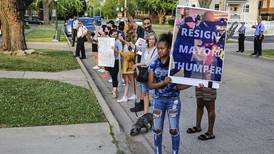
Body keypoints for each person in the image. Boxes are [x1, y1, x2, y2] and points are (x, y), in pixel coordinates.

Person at [148, 33, 190, 154]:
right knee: (157, 130)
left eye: (162, 48)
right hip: (158, 101)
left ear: (169, 49)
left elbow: (180, 85)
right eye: (158, 49)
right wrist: (163, 82)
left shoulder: (175, 65)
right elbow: (150, 84)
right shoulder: (154, 64)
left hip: (173, 101)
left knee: (173, 130)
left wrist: (195, 83)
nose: (160, 51)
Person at [130, 33, 158, 113]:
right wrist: (127, 41)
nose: (151, 41)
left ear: (155, 40)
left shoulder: (156, 50)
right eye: (150, 39)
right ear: (147, 40)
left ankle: (154, 114)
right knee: (145, 93)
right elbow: (136, 48)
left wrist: (137, 64)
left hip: (151, 74)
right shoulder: (145, 48)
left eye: (153, 39)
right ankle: (145, 113)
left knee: (152, 95)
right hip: (143, 74)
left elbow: (149, 62)